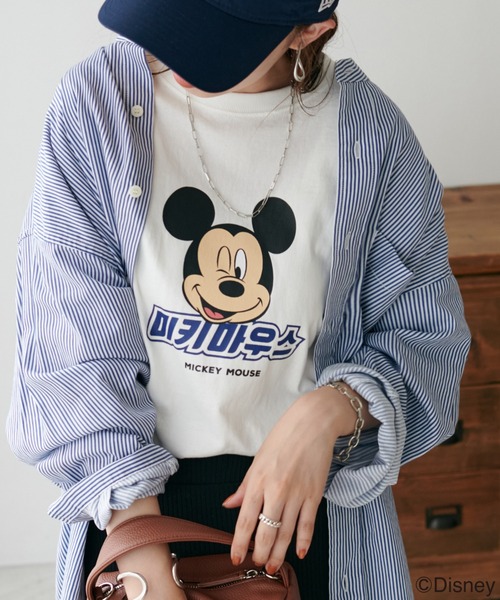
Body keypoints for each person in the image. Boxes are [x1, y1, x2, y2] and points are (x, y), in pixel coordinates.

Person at [7, 0, 471, 599]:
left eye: (215, 37)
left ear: (309, 30)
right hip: (130, 507)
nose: (175, 47)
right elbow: (68, 345)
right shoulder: (100, 106)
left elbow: (427, 343)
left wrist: (332, 409)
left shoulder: (370, 138)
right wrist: (144, 566)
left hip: (309, 521)